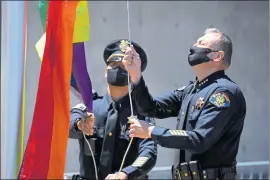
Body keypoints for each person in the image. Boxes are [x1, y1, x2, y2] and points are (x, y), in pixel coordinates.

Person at [123, 28, 246, 180]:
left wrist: (151, 131)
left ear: (217, 56)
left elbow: (199, 139)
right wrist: (136, 76)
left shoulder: (223, 93)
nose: (194, 46)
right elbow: (150, 108)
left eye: (201, 43)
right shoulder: (191, 90)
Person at [69, 39, 157, 180]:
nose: (118, 69)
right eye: (114, 65)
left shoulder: (141, 114)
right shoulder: (89, 107)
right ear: (106, 71)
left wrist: (126, 173)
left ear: (132, 72)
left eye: (124, 67)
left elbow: (149, 154)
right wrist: (80, 125)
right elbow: (68, 124)